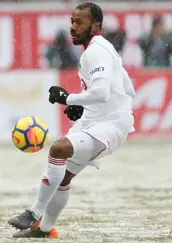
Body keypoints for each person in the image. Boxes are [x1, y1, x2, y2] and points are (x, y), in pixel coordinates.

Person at [8, 2, 135, 238]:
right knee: (63, 176)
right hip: (98, 122)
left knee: (59, 148)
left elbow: (103, 93)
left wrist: (69, 98)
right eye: (72, 21)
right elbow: (127, 87)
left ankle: (34, 214)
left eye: (79, 22)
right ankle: (45, 230)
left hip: (109, 128)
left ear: (96, 25)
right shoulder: (101, 48)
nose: (73, 27)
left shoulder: (96, 50)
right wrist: (83, 105)